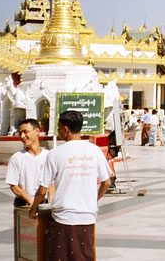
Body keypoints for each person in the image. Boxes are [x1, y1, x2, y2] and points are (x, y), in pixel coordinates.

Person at [30, 111, 111, 261]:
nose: (59, 131)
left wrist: (34, 208)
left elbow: (42, 189)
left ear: (66, 129)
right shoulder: (95, 151)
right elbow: (107, 182)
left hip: (63, 218)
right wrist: (94, 199)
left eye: (59, 127)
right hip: (87, 217)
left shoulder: (55, 154)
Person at [6, 118, 51, 207]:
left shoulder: (49, 156)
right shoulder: (17, 158)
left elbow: (53, 183)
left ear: (37, 131)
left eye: (25, 132)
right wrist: (30, 201)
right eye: (20, 133)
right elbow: (13, 185)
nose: (22, 136)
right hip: (24, 204)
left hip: (45, 203)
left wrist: (50, 203)